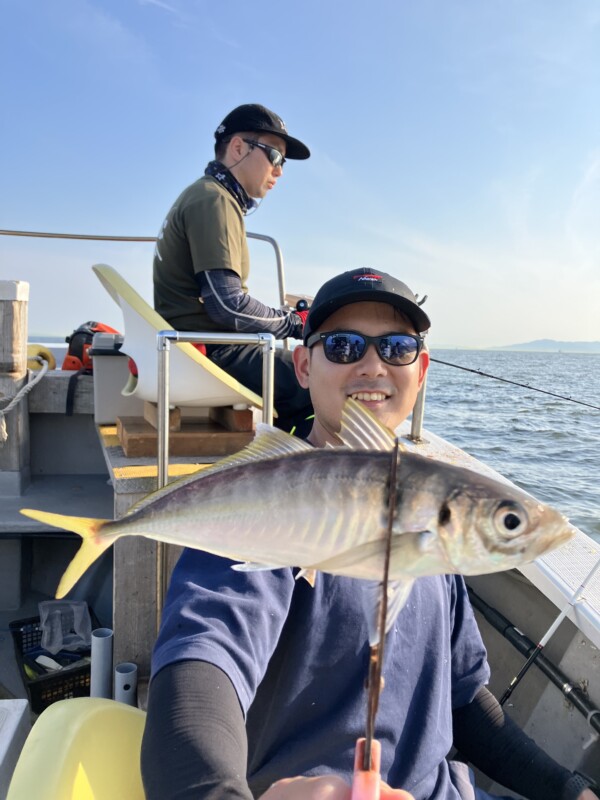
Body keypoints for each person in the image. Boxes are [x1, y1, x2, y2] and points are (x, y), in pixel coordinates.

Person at [141, 268, 598, 800]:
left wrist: (568, 789)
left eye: (398, 348)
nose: (372, 365)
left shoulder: (435, 519)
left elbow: (463, 703)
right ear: (304, 366)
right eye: (343, 345)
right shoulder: (262, 510)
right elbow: (199, 674)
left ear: (421, 370)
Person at [153, 102, 313, 432]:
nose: (280, 171)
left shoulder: (205, 195)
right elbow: (228, 306)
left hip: (196, 350)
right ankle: (292, 479)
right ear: (238, 147)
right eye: (276, 157)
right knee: (321, 381)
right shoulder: (215, 200)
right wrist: (296, 323)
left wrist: (287, 318)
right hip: (213, 353)